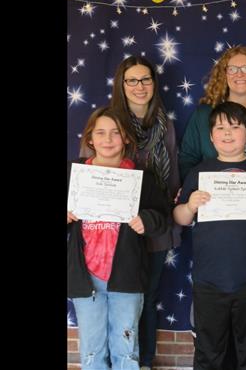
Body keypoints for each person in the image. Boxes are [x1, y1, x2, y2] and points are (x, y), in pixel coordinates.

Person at [173, 101, 246, 370]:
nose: (228, 133)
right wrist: (190, 205)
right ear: (210, 136)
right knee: (208, 353)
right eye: (220, 128)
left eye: (235, 127)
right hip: (209, 279)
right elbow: (180, 218)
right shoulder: (199, 172)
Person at [68, 107, 169, 370]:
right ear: (90, 138)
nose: (108, 139)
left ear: (125, 138)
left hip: (127, 275)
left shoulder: (141, 178)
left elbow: (162, 218)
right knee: (92, 349)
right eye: (100, 133)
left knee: (126, 347)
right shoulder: (74, 174)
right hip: (85, 276)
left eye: (115, 133)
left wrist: (145, 220)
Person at [104, 56, 182, 370]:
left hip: (155, 222)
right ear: (121, 86)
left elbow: (174, 169)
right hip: (114, 227)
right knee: (116, 297)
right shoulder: (108, 122)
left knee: (146, 298)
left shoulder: (165, 123)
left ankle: (143, 361)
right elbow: (90, 168)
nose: (139, 86)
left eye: (145, 79)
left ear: (154, 84)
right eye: (132, 80)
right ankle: (113, 360)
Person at [179, 45, 246, 179]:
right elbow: (187, 160)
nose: (239, 74)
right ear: (224, 74)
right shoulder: (204, 114)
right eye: (232, 69)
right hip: (210, 196)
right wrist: (192, 189)